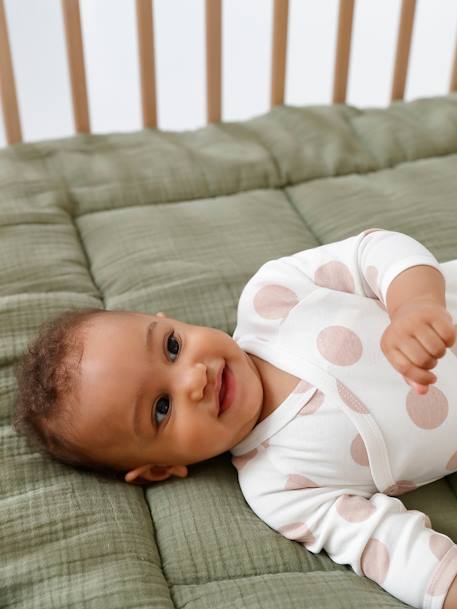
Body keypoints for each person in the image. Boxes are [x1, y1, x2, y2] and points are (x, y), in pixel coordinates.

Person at [12, 227, 457, 609]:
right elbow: (383, 547)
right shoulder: (278, 487)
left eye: (171, 346)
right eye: (161, 409)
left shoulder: (273, 296)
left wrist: (413, 305)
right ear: (161, 468)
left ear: (170, 320)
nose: (193, 379)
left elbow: (373, 251)